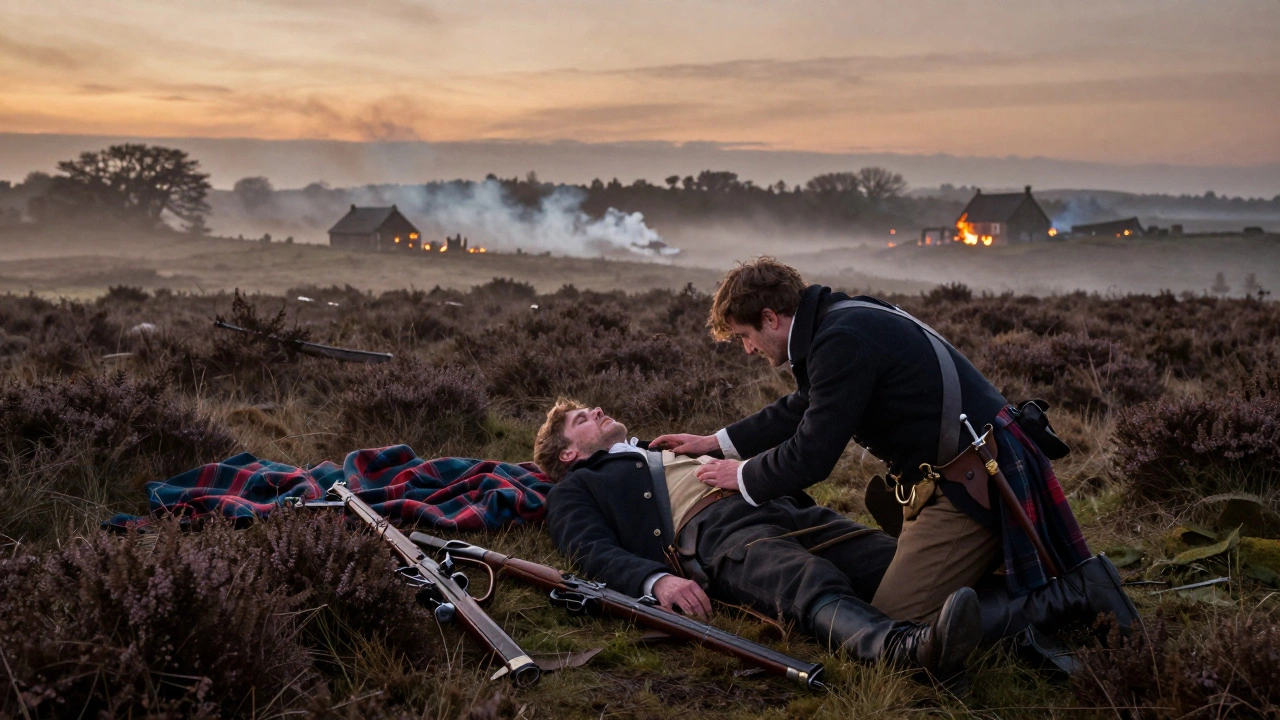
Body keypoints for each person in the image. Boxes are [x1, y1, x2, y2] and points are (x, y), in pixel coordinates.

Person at [651, 257, 1137, 643]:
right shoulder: (841, 322)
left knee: (898, 624)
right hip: (967, 468)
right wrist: (716, 442)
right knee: (899, 606)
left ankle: (1074, 594)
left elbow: (813, 457)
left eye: (745, 336)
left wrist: (740, 476)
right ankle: (1032, 594)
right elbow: (803, 406)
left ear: (770, 318)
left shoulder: (839, 340)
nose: (747, 349)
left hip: (973, 480)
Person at [536, 400, 982, 688]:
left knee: (893, 560)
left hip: (781, 506)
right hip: (717, 533)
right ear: (568, 454)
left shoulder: (659, 447)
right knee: (803, 577)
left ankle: (1031, 611)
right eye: (581, 420)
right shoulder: (574, 490)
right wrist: (656, 582)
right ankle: (903, 652)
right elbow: (588, 551)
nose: (595, 410)